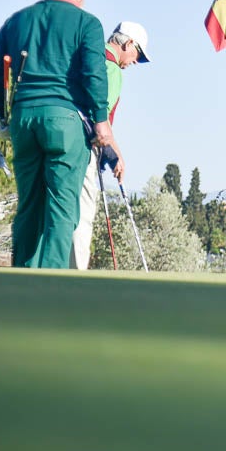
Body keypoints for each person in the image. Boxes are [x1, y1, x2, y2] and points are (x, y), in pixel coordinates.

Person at [0, 0, 118, 268]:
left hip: (24, 120)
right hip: (66, 122)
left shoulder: (17, 20)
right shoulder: (88, 23)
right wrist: (101, 125)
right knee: (62, 207)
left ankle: (23, 275)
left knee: (28, 204)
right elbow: (95, 76)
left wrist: (3, 115)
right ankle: (52, 281)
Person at [70, 21, 151, 269]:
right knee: (82, 215)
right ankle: (75, 277)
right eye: (138, 54)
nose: (135, 62)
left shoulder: (85, 57)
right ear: (128, 44)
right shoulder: (112, 69)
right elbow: (101, 119)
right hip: (82, 147)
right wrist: (116, 155)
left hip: (61, 138)